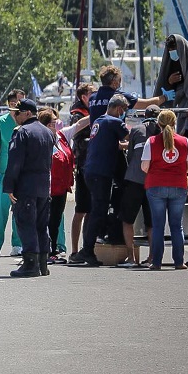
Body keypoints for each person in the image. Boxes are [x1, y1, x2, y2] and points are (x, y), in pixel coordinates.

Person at [2, 99, 56, 277]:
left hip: (26, 186)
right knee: (41, 225)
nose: (14, 116)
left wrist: (9, 186)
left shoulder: (22, 132)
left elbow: (15, 162)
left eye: (17, 113)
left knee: (26, 224)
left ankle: (30, 264)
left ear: (26, 113)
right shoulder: (47, 133)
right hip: (43, 185)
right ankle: (42, 264)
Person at [77, 94, 130, 267]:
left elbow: (113, 144)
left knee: (95, 210)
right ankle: (87, 250)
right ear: (119, 109)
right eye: (125, 110)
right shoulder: (114, 122)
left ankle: (87, 248)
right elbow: (130, 138)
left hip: (90, 170)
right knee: (99, 211)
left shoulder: (99, 121)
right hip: (101, 173)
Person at [141, 109, 188, 270]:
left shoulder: (151, 141)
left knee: (158, 225)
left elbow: (144, 167)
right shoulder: (185, 142)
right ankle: (179, 261)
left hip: (155, 186)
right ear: (174, 123)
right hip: (178, 186)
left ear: (158, 124)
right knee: (176, 226)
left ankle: (156, 262)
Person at [39, 107, 89, 265]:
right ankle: (44, 252)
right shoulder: (41, 139)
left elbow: (79, 125)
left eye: (56, 121)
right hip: (46, 187)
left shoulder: (62, 136)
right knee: (45, 221)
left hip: (61, 188)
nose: (57, 124)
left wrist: (97, 111)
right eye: (53, 122)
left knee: (55, 220)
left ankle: (53, 250)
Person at [118, 105, 160, 267]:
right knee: (152, 223)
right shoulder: (164, 133)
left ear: (145, 115)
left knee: (127, 220)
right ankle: (152, 258)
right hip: (154, 182)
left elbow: (130, 155)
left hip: (135, 180)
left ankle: (131, 258)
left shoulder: (137, 129)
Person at [0, 89, 25, 256]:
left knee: (19, 210)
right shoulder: (0, 122)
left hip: (22, 174)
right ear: (11, 104)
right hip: (3, 173)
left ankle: (17, 244)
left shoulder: (26, 122)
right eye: (18, 102)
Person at [87, 65, 169, 123]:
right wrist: (165, 97)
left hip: (94, 140)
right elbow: (146, 104)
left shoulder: (92, 98)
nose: (120, 83)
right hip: (112, 140)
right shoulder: (119, 97)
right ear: (115, 83)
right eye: (119, 80)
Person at [69, 83, 96, 262]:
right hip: (83, 166)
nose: (95, 97)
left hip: (93, 165)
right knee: (80, 211)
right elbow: (78, 139)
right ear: (84, 97)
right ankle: (74, 250)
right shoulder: (77, 115)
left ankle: (88, 247)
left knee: (91, 211)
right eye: (92, 94)